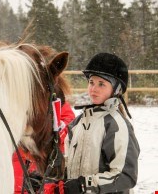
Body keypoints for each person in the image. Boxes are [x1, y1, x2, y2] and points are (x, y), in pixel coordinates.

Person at [58, 53, 140, 193]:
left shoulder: (116, 125)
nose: (93, 88)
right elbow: (69, 164)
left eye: (101, 84)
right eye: (91, 82)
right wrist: (51, 176)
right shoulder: (77, 124)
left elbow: (126, 176)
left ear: (116, 90)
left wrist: (85, 185)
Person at [12, 94, 75, 193]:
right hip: (16, 163)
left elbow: (69, 123)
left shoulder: (49, 96)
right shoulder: (13, 97)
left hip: (45, 163)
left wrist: (51, 135)